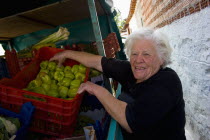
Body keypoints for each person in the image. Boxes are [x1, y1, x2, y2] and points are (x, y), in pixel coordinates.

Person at [49, 28, 186, 140]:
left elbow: (130, 121)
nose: (139, 60)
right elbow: (98, 62)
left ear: (161, 59)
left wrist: (96, 89)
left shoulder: (167, 82)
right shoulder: (131, 70)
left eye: (146, 54)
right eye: (134, 54)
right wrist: (66, 53)